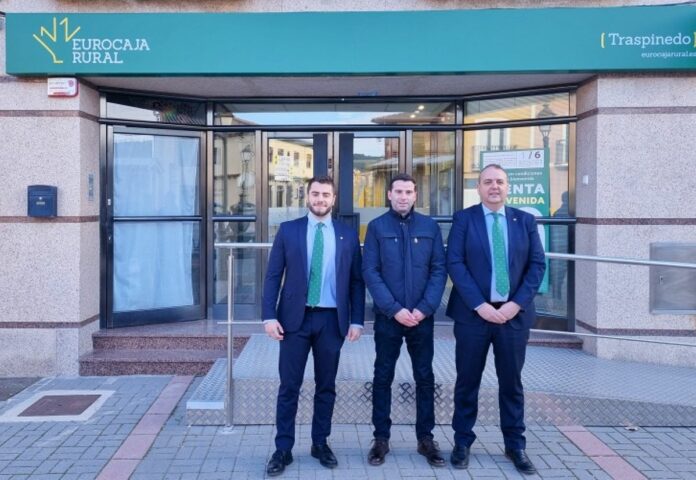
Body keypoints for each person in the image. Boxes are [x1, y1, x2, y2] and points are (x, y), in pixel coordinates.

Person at [262, 175, 365, 476]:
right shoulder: (288, 230)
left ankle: (320, 443)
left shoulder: (347, 235)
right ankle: (283, 448)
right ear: (307, 197)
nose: (320, 199)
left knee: (326, 386)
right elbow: (272, 276)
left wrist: (357, 320)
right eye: (316, 194)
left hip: (332, 320)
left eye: (326, 195)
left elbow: (357, 282)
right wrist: (269, 316)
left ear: (334, 199)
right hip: (294, 320)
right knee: (288, 387)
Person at [446, 164, 545, 475]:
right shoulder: (464, 219)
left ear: (507, 187)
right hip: (473, 316)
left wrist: (516, 304)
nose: (494, 187)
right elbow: (455, 263)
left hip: (513, 317)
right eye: (488, 181)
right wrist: (479, 304)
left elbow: (537, 266)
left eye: (499, 182)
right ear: (478, 187)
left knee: (511, 383)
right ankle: (462, 442)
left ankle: (515, 445)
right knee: (467, 382)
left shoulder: (525, 221)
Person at [362, 173, 447, 467]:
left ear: (415, 195)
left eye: (408, 192)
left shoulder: (430, 227)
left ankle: (426, 439)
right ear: (389, 194)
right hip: (389, 317)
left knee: (424, 377)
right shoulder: (376, 227)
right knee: (382, 376)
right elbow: (370, 271)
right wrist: (394, 308)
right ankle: (381, 439)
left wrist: (425, 308)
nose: (403, 196)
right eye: (398, 191)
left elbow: (439, 270)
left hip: (422, 318)